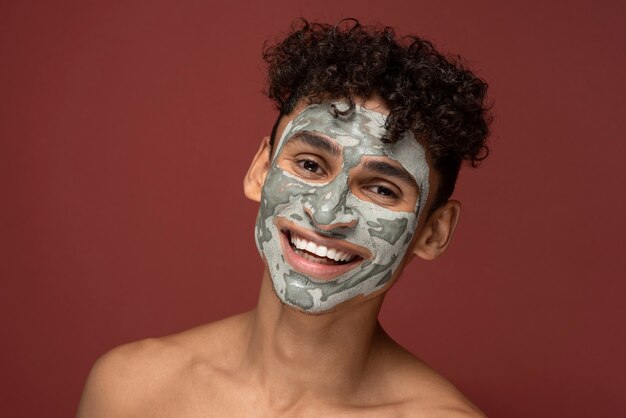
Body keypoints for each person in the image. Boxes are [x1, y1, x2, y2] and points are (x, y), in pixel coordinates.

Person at [78, 19, 491, 417]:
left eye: (381, 190)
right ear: (261, 169)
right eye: (311, 165)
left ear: (434, 232)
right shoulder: (130, 390)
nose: (328, 214)